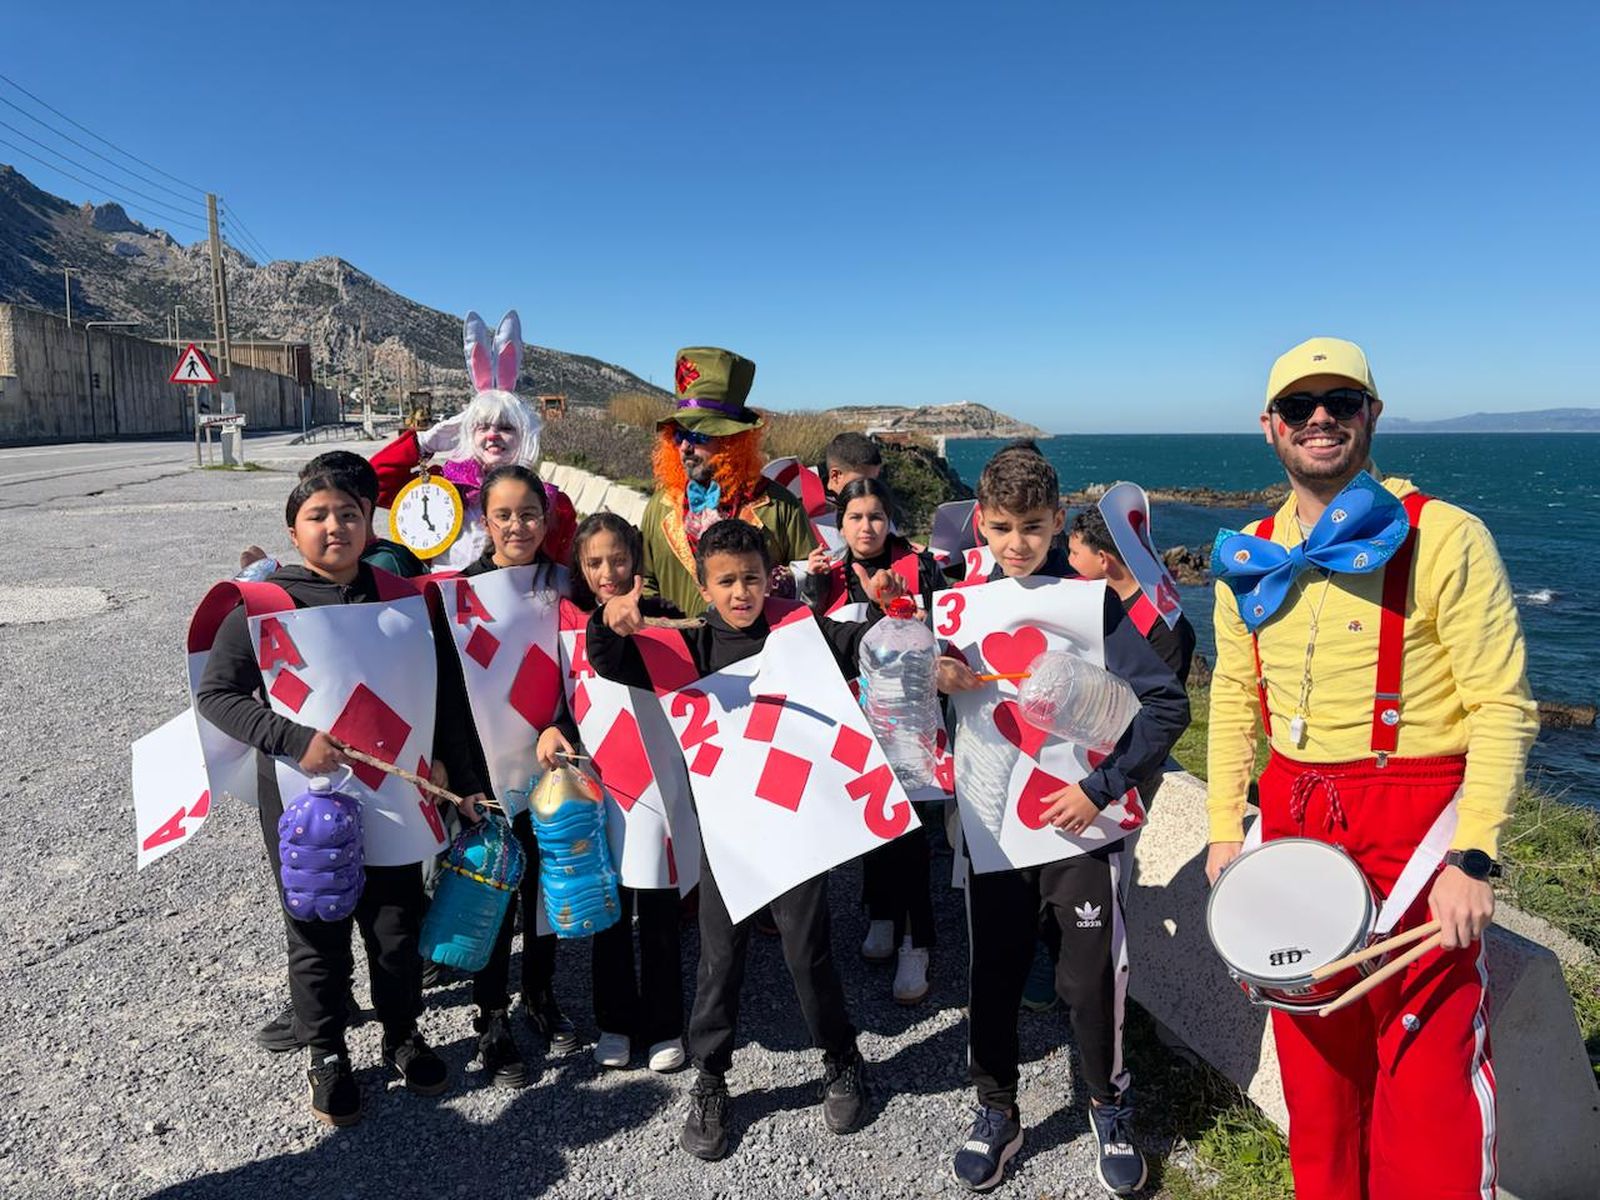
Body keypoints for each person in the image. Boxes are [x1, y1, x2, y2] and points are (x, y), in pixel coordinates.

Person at [1204, 337, 1538, 1200]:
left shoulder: (1446, 536)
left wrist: (1475, 856)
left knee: (1430, 1096)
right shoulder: (1247, 553)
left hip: (1419, 831)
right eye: (1301, 407)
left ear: (1372, 416)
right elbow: (1237, 698)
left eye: (1342, 403)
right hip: (1291, 820)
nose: (1321, 420)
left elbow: (1502, 705)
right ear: (1269, 427)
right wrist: (1220, 833)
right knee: (1318, 1086)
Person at [588, 518, 908, 1161]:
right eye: (726, 582)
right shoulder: (689, 645)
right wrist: (610, 622)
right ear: (703, 587)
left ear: (771, 578)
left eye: (752, 579)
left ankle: (841, 1058)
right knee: (719, 957)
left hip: (795, 823)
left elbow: (857, 642)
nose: (741, 593)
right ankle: (710, 1077)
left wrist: (893, 616)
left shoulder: (798, 630)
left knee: (805, 950)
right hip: (726, 827)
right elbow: (609, 659)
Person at [195, 473, 485, 1126]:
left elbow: (441, 691)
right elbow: (218, 695)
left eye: (349, 514)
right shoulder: (262, 605)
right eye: (318, 516)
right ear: (294, 531)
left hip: (397, 794)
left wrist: (453, 766)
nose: (335, 527)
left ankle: (402, 1035)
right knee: (318, 933)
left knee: (395, 930)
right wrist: (292, 739)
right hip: (309, 802)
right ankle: (325, 1051)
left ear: (369, 523)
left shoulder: (406, 597)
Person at [938, 450, 1189, 1195]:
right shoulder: (955, 609)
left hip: (1080, 829)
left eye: (1034, 527)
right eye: (1003, 527)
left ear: (1057, 524)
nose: (1017, 543)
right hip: (991, 831)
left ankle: (1108, 1104)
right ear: (980, 524)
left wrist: (1100, 788)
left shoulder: (1091, 606)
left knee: (1089, 982)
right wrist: (935, 675)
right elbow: (919, 713)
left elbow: (1168, 705)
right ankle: (997, 1109)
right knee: (995, 973)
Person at [442, 464, 580, 1083]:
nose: (517, 525)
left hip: (553, 765)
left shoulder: (565, 584)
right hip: (488, 773)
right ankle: (490, 1017)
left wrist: (567, 730)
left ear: (546, 520)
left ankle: (540, 994)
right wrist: (464, 779)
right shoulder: (460, 596)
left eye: (529, 513)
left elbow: (581, 673)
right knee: (495, 895)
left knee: (545, 893)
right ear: (484, 521)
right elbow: (449, 693)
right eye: (504, 515)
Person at [799, 476, 944, 1004]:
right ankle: (881, 914)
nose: (867, 527)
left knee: (909, 835)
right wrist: (810, 590)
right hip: (851, 720)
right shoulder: (826, 573)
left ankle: (917, 941)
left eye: (877, 516)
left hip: (909, 723)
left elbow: (945, 633)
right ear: (839, 526)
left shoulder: (919, 566)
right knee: (872, 824)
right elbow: (815, 643)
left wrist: (908, 609)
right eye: (856, 518)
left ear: (891, 521)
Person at [368, 311, 576, 571]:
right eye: (482, 426)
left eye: (506, 427)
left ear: (524, 435)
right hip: (445, 605)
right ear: (467, 432)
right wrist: (422, 443)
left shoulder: (552, 504)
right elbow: (372, 483)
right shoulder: (441, 487)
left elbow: (566, 571)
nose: (492, 435)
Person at [639, 346, 817, 616]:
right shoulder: (660, 507)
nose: (685, 447)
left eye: (699, 436)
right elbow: (645, 581)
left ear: (733, 442)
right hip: (682, 652)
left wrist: (776, 583)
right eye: (679, 435)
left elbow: (814, 585)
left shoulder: (781, 507)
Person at [1068, 505, 1197, 685]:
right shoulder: (1093, 600)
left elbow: (1165, 699)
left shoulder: (1165, 626)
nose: (1069, 561)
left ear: (1103, 559)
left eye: (1074, 553)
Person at [818, 430, 884, 502]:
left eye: (874, 483)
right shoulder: (809, 508)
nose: (869, 489)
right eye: (860, 483)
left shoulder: (879, 506)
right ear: (835, 476)